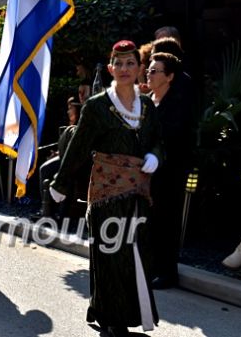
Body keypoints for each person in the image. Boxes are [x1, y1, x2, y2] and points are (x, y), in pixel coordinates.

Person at [50, 40, 163, 337]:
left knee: (136, 255)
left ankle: (118, 312)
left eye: (130, 63)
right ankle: (112, 319)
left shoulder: (148, 106)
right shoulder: (98, 106)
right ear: (111, 68)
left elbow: (158, 140)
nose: (125, 69)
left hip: (139, 193)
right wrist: (60, 182)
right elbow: (78, 147)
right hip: (106, 195)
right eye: (119, 63)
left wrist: (155, 155)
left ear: (139, 68)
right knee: (110, 254)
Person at [147, 52, 193, 289]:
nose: (149, 74)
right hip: (146, 174)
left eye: (155, 71)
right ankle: (151, 267)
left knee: (166, 222)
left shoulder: (177, 107)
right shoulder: (146, 101)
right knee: (150, 221)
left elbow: (172, 140)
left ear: (169, 77)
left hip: (169, 174)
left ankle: (167, 272)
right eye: (149, 70)